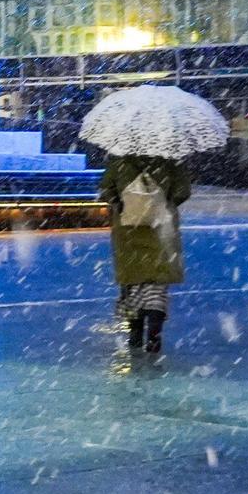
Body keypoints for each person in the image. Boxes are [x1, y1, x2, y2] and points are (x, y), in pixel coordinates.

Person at [98, 151, 192, 357]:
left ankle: (135, 332)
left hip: (127, 231)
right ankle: (154, 334)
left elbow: (105, 189)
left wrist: (122, 204)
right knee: (157, 284)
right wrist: (162, 203)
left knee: (132, 283)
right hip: (161, 230)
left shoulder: (120, 159)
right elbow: (183, 191)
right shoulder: (170, 158)